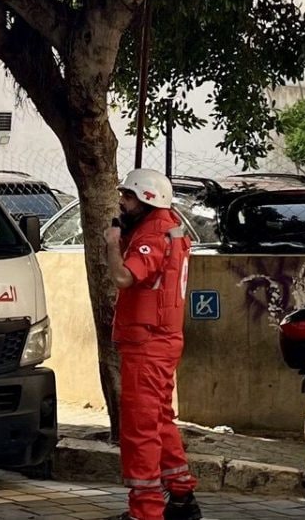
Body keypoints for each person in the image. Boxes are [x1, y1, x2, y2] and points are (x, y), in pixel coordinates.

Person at [103, 169, 200, 520]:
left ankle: (145, 511)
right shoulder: (167, 226)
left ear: (145, 200)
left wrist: (113, 243)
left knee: (140, 428)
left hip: (147, 343)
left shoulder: (153, 233)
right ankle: (181, 495)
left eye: (127, 197)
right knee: (159, 420)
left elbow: (123, 276)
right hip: (161, 338)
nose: (121, 203)